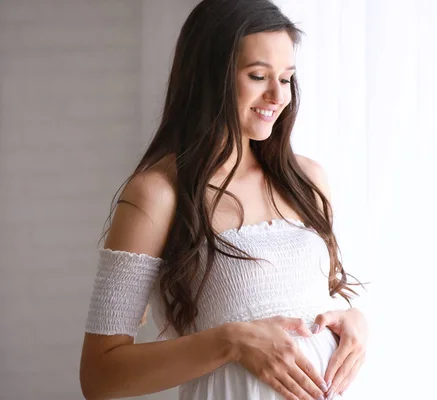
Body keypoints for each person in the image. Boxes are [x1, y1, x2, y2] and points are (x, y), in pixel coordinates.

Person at [79, 1, 368, 399]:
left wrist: (352, 321)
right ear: (209, 78)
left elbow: (310, 299)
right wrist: (230, 341)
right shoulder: (158, 194)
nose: (277, 96)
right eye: (258, 75)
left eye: (286, 79)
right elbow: (99, 376)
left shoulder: (307, 180)